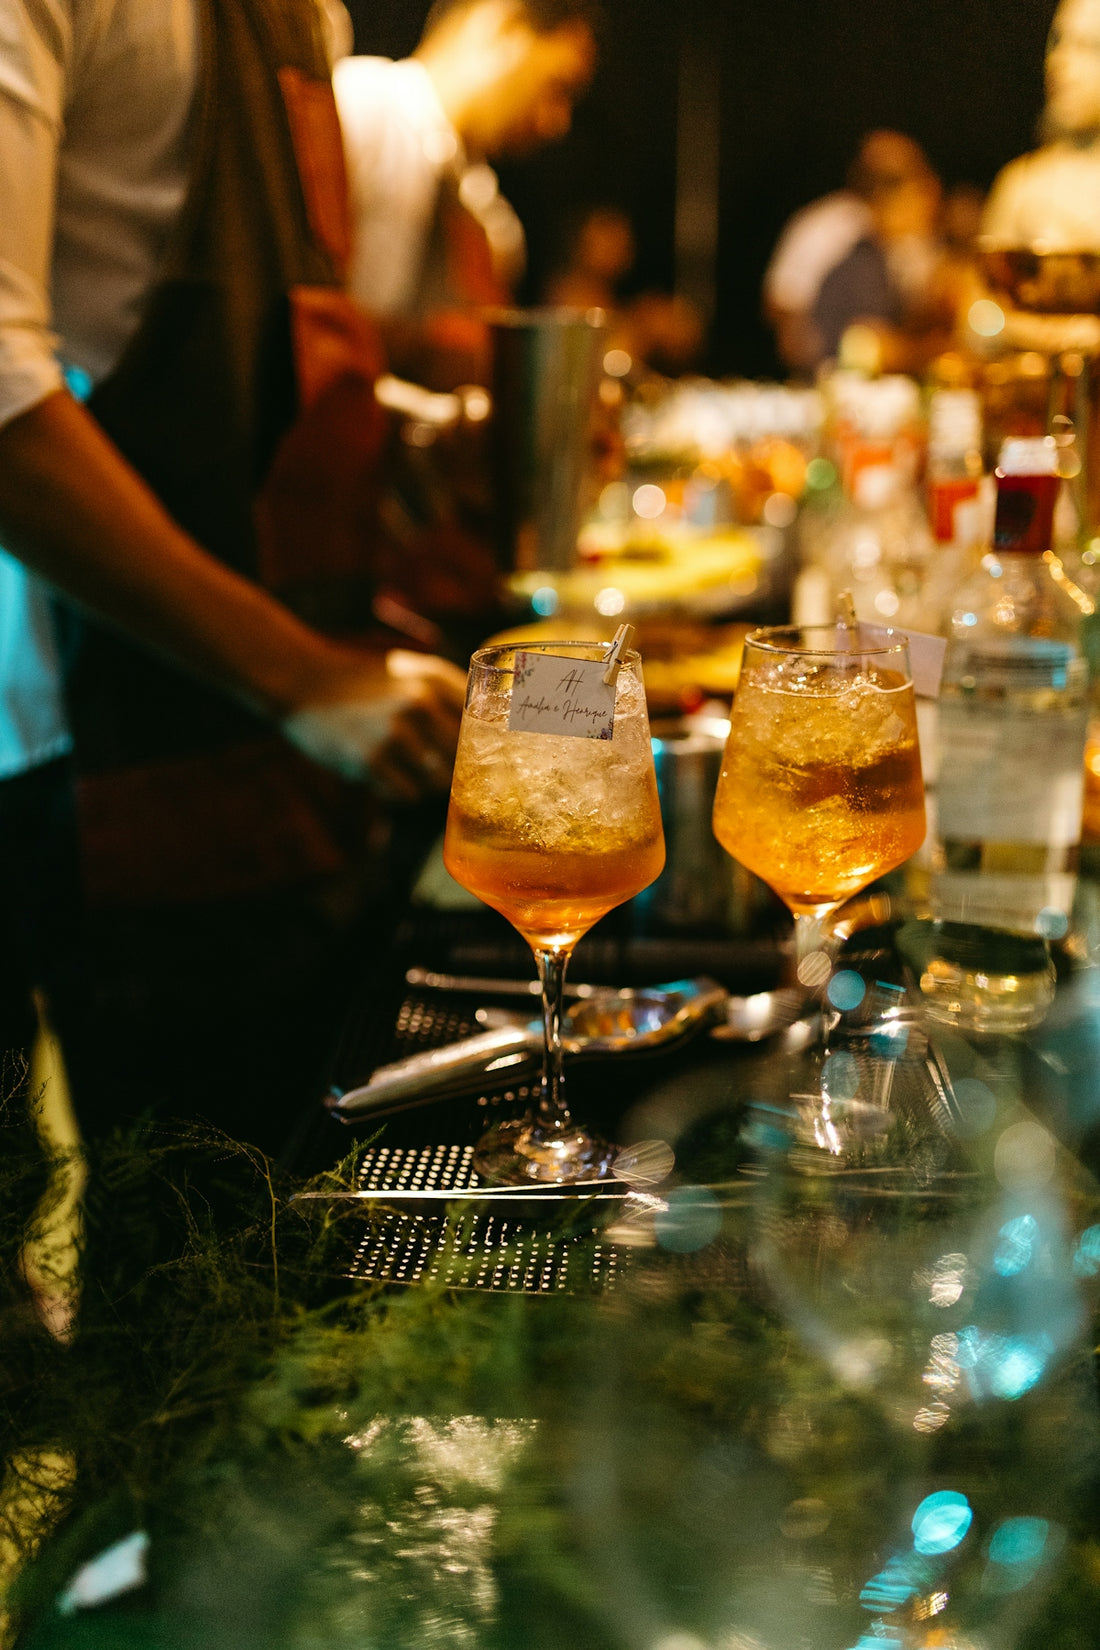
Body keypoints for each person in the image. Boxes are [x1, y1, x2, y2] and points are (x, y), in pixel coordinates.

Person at [0, 0, 466, 1153]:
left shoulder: (306, 15)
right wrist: (306, 680)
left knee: (264, 1198)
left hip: (271, 781)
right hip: (82, 757)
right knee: (137, 1259)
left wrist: (402, 439)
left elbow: (262, 344)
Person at [334, 0, 600, 387]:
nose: (556, 122)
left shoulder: (487, 214)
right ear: (501, 22)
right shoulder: (362, 105)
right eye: (557, 87)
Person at [764, 130, 946, 375]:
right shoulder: (831, 226)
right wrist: (806, 346)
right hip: (828, 372)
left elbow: (921, 312)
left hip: (875, 378)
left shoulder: (908, 244)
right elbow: (782, 299)